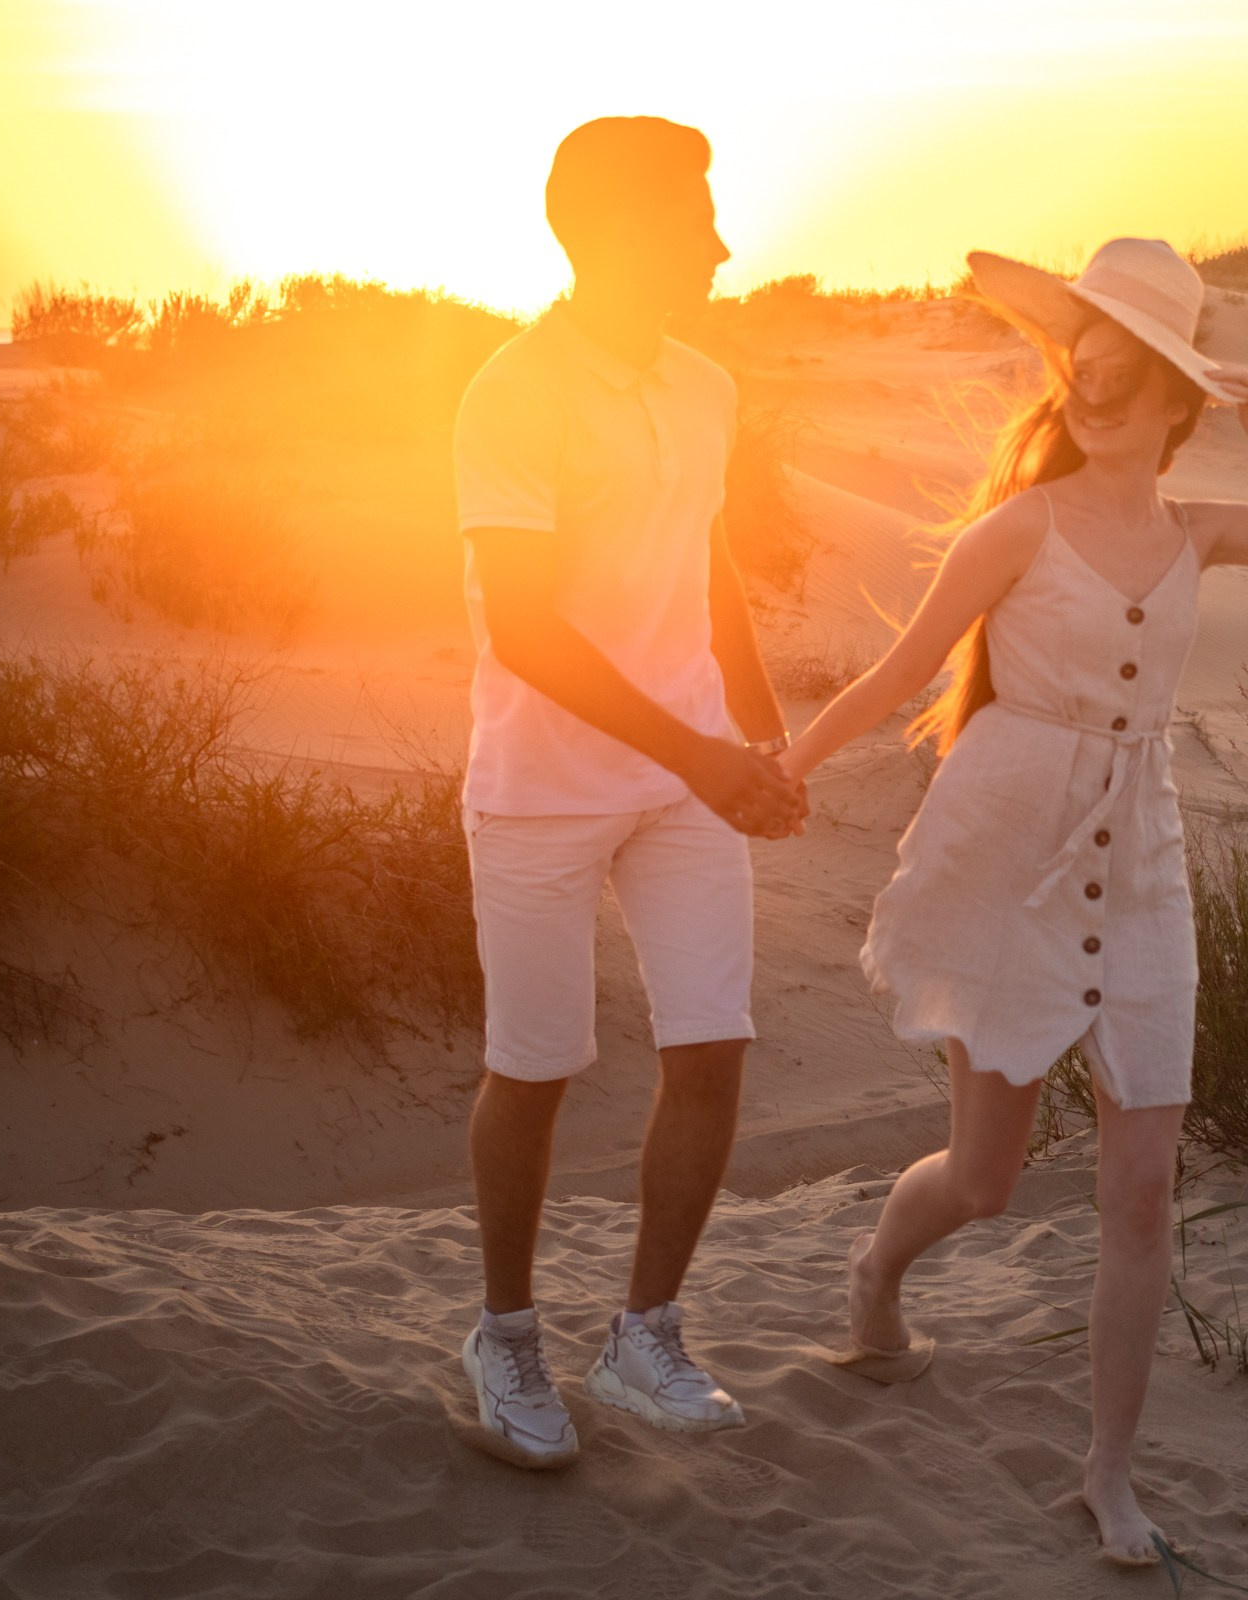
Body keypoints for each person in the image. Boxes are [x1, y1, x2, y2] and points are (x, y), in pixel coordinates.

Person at [780, 238, 1248, 1562]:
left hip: (1143, 866)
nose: (1092, 387)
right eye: (1082, 362)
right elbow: (901, 671)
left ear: (1177, 400)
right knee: (989, 1179)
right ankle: (877, 1271)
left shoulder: (1202, 531)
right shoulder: (1018, 527)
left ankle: (1109, 1475)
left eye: (1125, 371)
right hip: (1008, 853)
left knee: (1141, 1192)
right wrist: (781, 763)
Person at [453, 116, 806, 1469]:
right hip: (542, 785)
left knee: (710, 1050)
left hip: (687, 782)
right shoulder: (511, 391)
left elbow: (706, 564)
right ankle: (505, 1336)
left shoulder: (704, 386)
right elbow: (528, 631)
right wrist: (698, 749)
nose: (720, 243)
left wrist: (755, 722)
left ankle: (643, 1335)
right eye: (693, 218)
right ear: (610, 233)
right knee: (534, 1070)